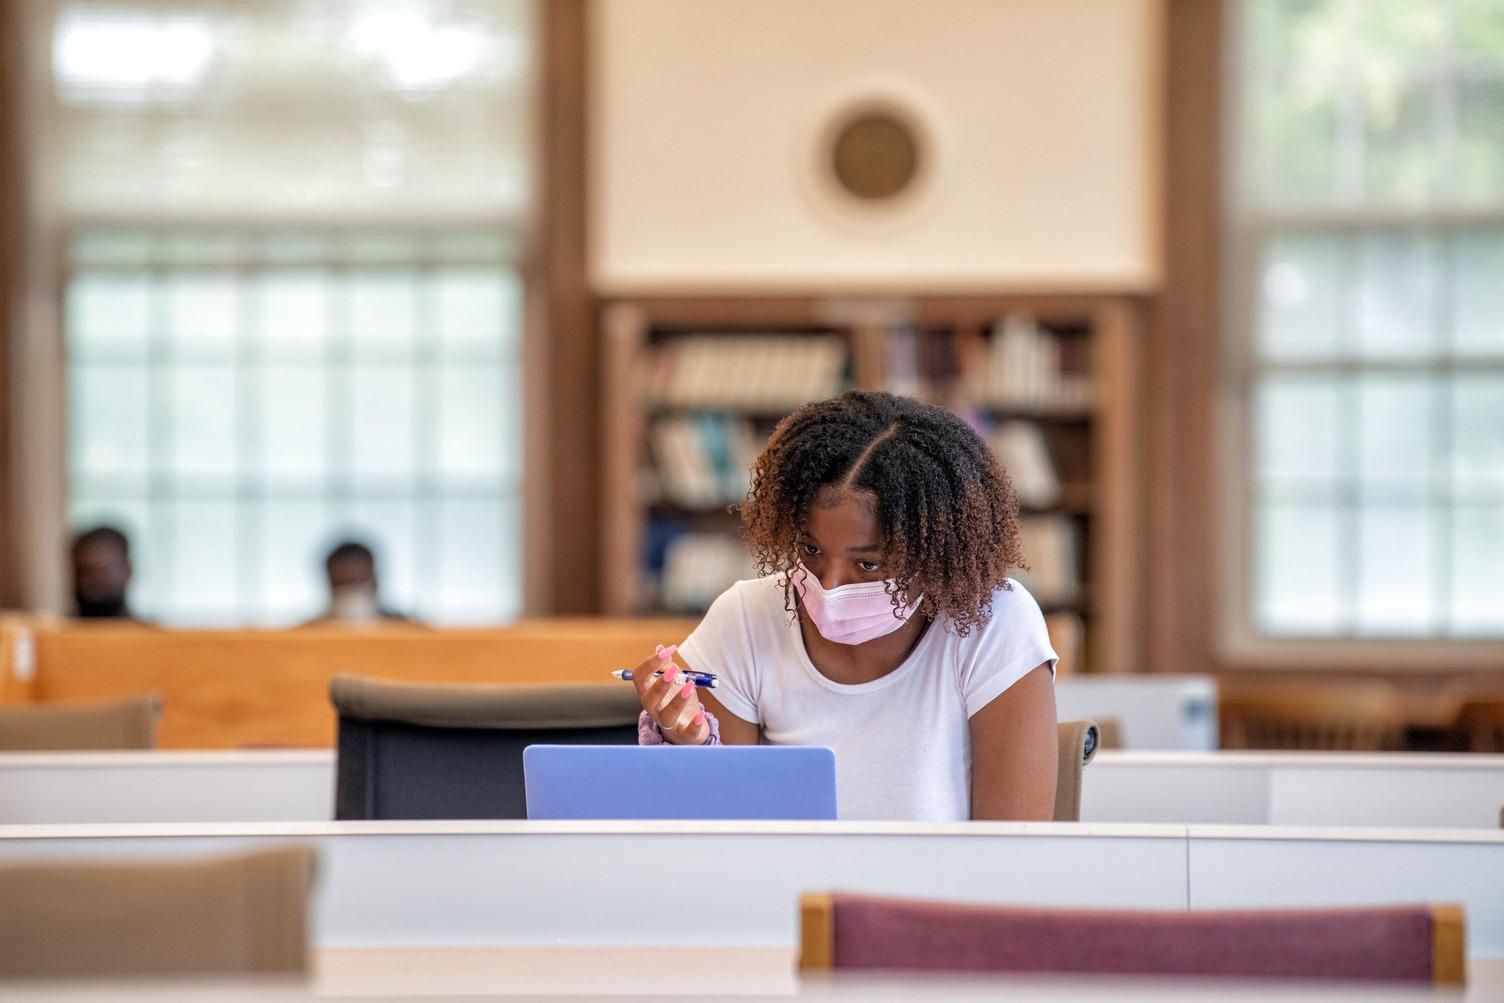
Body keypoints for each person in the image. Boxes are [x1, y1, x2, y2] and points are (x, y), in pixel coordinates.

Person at [628, 390, 1058, 821]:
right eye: (811, 549)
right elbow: (721, 835)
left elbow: (1013, 848)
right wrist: (688, 743)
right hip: (782, 887)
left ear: (935, 553)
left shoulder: (994, 621)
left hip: (934, 888)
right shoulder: (747, 617)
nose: (829, 585)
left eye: (868, 563)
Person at [306, 540, 412, 626]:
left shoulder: (413, 631)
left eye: (358, 584)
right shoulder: (304, 635)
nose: (350, 593)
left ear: (375, 580)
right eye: (342, 585)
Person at [70, 525, 138, 620]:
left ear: (128, 571)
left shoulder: (151, 634)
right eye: (84, 572)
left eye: (103, 573)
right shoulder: (53, 632)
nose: (91, 584)